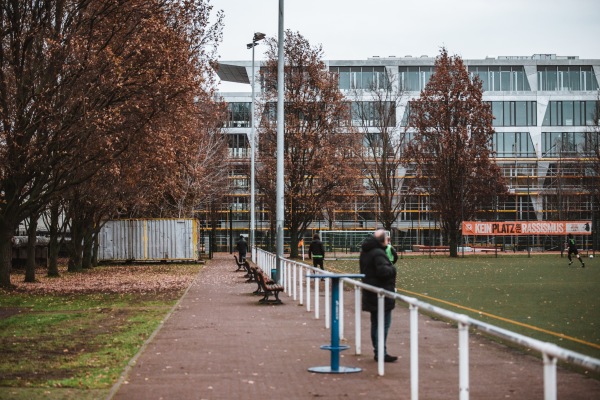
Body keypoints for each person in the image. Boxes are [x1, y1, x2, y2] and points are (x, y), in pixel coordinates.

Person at [359, 229, 398, 363]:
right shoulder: (378, 254)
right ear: (382, 240)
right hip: (381, 294)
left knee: (375, 323)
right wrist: (393, 269)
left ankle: (379, 351)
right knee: (383, 325)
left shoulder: (366, 251)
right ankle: (381, 352)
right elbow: (383, 272)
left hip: (370, 292)